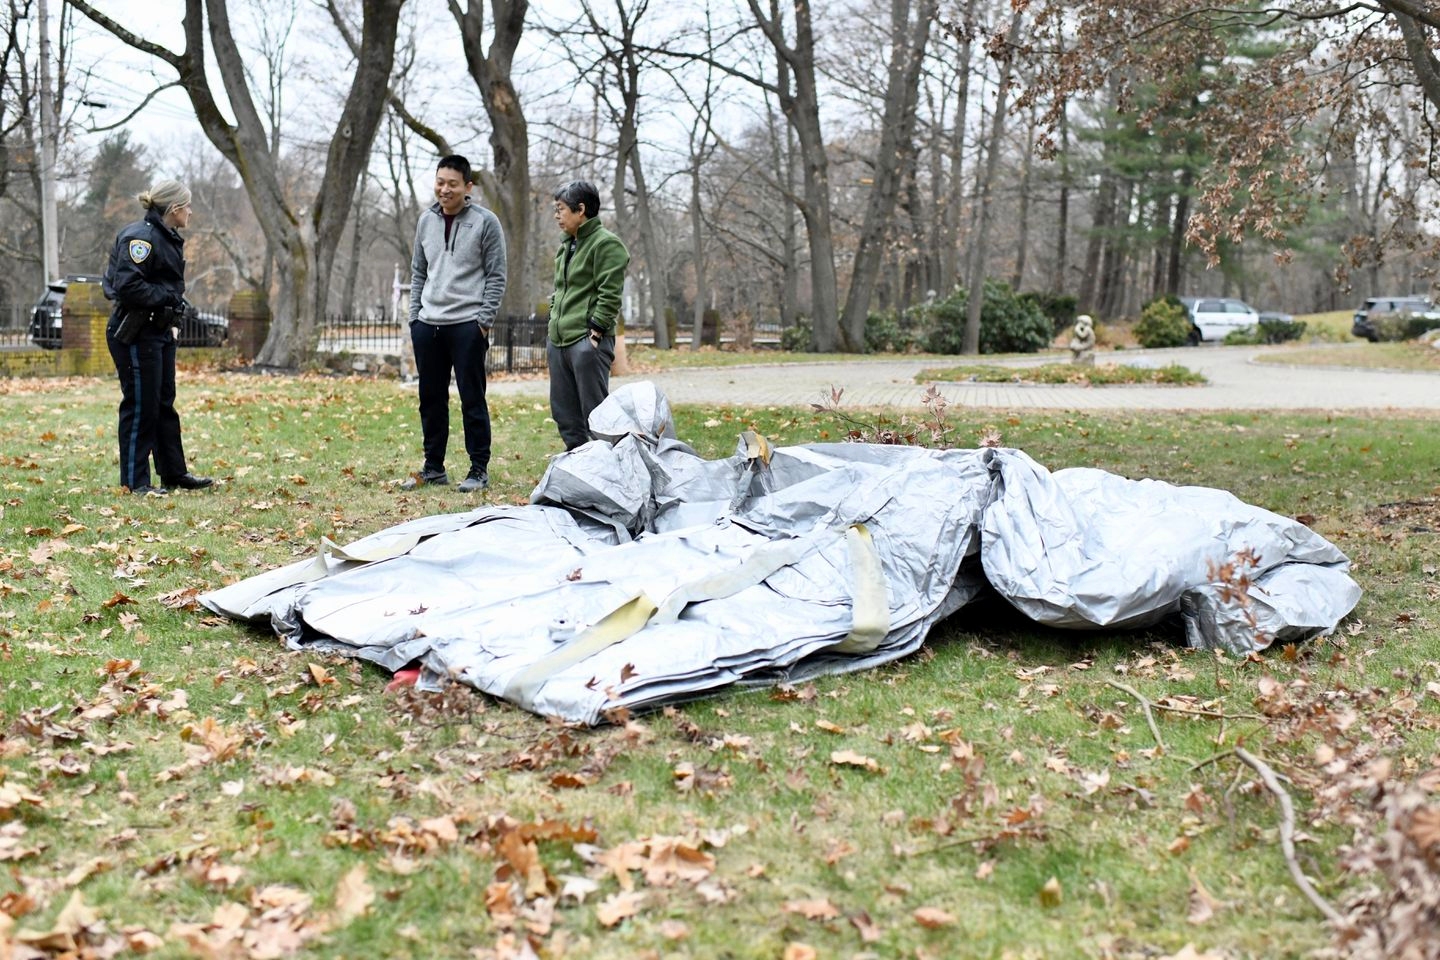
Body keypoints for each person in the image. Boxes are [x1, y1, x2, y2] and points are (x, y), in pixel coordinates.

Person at [403, 154, 507, 493]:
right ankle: (433, 467)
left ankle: (478, 469)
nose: (444, 189)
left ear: (467, 187)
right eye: (440, 182)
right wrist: (414, 317)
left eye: (452, 184)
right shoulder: (425, 221)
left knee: (472, 398)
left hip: (467, 324)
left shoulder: (486, 222)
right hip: (428, 324)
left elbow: (496, 275)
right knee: (430, 399)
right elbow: (419, 271)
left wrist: (483, 321)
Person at [102, 179, 212, 496]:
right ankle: (136, 482)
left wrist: (173, 305)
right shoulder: (141, 238)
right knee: (141, 406)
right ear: (174, 209)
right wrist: (167, 296)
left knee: (164, 403)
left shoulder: (165, 237)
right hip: (136, 333)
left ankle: (173, 474)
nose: (191, 212)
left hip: (158, 332)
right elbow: (127, 286)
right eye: (188, 206)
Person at [547, 180, 630, 450]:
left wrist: (594, 333)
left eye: (561, 209)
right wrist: (553, 318)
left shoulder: (607, 244)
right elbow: (561, 290)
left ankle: (608, 470)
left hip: (586, 342)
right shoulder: (566, 246)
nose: (557, 215)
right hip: (559, 341)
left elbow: (610, 293)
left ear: (580, 209)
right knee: (565, 415)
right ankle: (578, 468)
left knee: (596, 415)